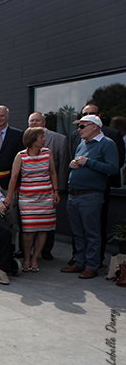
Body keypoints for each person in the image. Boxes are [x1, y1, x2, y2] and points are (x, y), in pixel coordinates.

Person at [61, 115, 119, 279]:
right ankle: (80, 262)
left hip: (90, 195)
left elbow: (113, 169)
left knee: (91, 232)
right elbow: (79, 163)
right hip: (74, 195)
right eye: (79, 126)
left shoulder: (107, 144)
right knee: (78, 232)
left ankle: (92, 265)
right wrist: (72, 165)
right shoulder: (82, 144)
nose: (79, 130)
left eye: (82, 126)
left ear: (94, 126)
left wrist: (88, 162)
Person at [4, 127, 59, 273]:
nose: (44, 140)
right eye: (41, 137)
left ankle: (35, 258)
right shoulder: (21, 156)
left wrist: (56, 191)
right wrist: (9, 196)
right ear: (33, 139)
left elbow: (53, 172)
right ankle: (27, 258)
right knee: (28, 230)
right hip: (27, 198)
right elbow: (14, 177)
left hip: (46, 197)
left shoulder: (48, 153)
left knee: (43, 229)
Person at [27, 112, 70, 261]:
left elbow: (63, 166)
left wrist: (59, 189)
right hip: (28, 190)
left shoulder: (59, 139)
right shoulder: (24, 139)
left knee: (47, 221)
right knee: (28, 221)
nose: (34, 123)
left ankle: (46, 249)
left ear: (44, 123)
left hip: (49, 189)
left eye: (37, 120)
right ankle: (27, 250)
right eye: (32, 121)